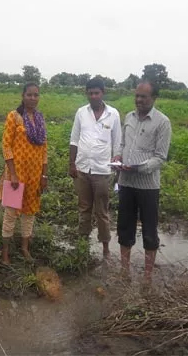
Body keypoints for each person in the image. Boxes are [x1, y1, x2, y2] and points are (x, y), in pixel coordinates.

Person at [111, 80, 171, 284]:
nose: (139, 100)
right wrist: (118, 157)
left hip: (148, 186)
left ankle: (147, 276)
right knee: (124, 227)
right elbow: (122, 144)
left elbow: (160, 157)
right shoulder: (128, 117)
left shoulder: (163, 122)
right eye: (137, 96)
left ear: (154, 98)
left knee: (149, 230)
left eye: (143, 97)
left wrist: (139, 168)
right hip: (126, 182)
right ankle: (124, 270)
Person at [69, 78, 122, 258]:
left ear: (103, 93)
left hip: (102, 171)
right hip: (83, 168)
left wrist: (117, 162)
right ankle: (82, 245)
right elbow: (74, 139)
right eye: (90, 93)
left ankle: (106, 248)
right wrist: (72, 164)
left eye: (96, 93)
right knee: (84, 209)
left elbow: (117, 142)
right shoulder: (81, 113)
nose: (93, 96)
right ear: (87, 94)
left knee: (102, 212)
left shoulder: (113, 114)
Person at [0, 83, 48, 265]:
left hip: (35, 175)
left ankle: (25, 248)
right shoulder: (14, 116)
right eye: (29, 95)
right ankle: (5, 253)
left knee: (30, 212)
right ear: (23, 95)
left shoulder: (40, 118)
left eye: (36, 95)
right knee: (11, 213)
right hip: (15, 175)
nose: (33, 98)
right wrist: (13, 174)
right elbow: (6, 146)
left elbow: (43, 150)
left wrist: (44, 175)